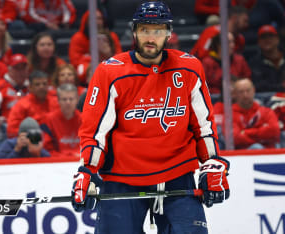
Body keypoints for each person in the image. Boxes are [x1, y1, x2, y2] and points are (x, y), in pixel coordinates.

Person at [71, 2, 230, 234]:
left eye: (157, 30)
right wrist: (88, 169)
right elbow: (95, 132)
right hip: (122, 178)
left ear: (168, 33)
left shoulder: (189, 68)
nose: (150, 37)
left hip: (177, 176)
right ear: (134, 31)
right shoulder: (110, 72)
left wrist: (212, 163)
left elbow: (203, 126)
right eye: (145, 30)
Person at [69, 10, 122, 85]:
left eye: (99, 18)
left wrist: (108, 55)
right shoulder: (78, 39)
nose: (97, 22)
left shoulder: (112, 36)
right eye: (93, 18)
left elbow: (121, 63)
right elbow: (79, 69)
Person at [228, 78, 280, 149]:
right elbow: (235, 138)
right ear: (235, 94)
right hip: (242, 156)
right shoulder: (230, 115)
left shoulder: (266, 112)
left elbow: (274, 131)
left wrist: (246, 132)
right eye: (241, 92)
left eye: (248, 90)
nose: (245, 95)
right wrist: (261, 137)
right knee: (257, 147)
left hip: (270, 154)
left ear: (253, 90)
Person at [6, 70, 58, 138]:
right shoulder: (21, 105)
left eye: (44, 84)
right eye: (37, 84)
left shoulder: (56, 102)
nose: (41, 87)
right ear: (30, 87)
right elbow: (11, 130)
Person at [42, 83, 81, 157]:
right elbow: (46, 150)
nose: (68, 102)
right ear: (58, 100)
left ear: (77, 100)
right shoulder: (48, 120)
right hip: (57, 162)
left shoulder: (84, 119)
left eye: (71, 99)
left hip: (81, 160)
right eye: (64, 99)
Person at [248, 25, 285, 92]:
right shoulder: (254, 62)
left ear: (277, 39)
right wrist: (281, 87)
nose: (267, 40)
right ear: (258, 42)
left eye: (270, 36)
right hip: (265, 99)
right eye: (263, 37)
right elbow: (258, 86)